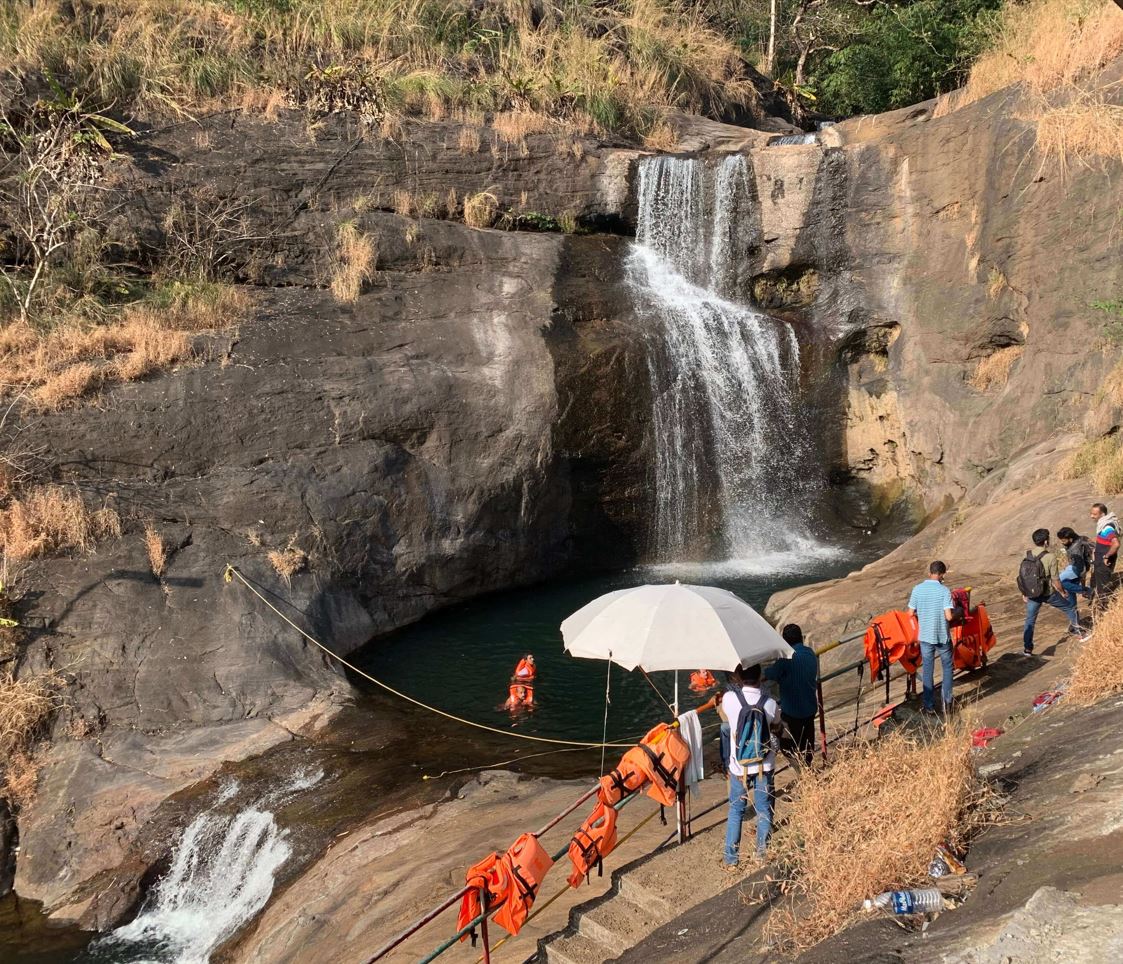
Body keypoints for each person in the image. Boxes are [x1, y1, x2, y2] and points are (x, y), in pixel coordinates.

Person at [722, 664, 780, 866]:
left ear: (739, 676)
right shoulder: (770, 702)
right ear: (761, 676)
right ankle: (761, 855)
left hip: (739, 766)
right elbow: (776, 722)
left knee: (736, 810)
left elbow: (727, 720)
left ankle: (731, 859)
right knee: (764, 809)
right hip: (765, 766)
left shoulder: (729, 699)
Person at [1020, 528, 1087, 656]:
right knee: (1069, 608)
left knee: (1030, 620)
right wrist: (1062, 592)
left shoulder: (1027, 554)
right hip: (1048, 593)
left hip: (1032, 594)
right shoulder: (1050, 557)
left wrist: (1024, 592)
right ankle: (1080, 634)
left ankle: (1027, 649)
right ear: (1046, 541)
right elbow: (1055, 580)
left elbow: (1024, 576)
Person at [764, 623, 820, 768]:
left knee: (787, 746)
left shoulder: (785, 659)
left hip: (791, 712)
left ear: (785, 641)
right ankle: (807, 768)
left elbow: (769, 674)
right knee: (807, 744)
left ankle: (801, 772)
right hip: (809, 708)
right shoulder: (811, 653)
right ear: (801, 637)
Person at [907, 561, 955, 716]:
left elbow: (909, 613)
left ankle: (928, 705)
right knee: (947, 668)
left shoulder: (917, 589)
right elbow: (948, 616)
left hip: (925, 636)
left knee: (928, 669)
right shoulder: (944, 591)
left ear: (930, 572)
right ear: (941, 574)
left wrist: (922, 613)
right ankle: (946, 702)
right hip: (942, 636)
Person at [1090, 503, 1120, 608]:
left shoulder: (1107, 527)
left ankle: (1105, 608)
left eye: (1094, 514)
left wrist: (1106, 556)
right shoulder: (1103, 524)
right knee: (1101, 586)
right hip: (1100, 561)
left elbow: (1116, 544)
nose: (1091, 516)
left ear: (1102, 514)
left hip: (1104, 563)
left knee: (1103, 588)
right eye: (1091, 513)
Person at [1056, 527, 1093, 603]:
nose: (1062, 542)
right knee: (1071, 586)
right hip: (1077, 567)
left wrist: (1082, 587)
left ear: (1071, 539)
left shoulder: (1075, 548)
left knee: (1058, 581)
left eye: (1063, 540)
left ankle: (1087, 591)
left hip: (1076, 568)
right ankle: (1073, 607)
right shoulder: (1082, 538)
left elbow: (1082, 568)